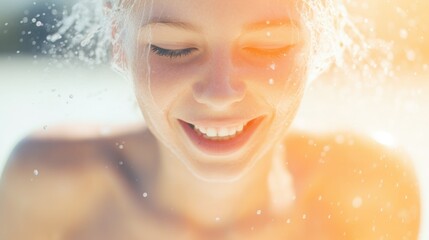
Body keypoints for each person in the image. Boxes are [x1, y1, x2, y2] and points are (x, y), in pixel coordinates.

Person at [0, 0, 421, 239]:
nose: (220, 93)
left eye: (268, 47)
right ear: (118, 42)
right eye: (171, 48)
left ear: (320, 47)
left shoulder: (366, 189)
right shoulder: (49, 188)